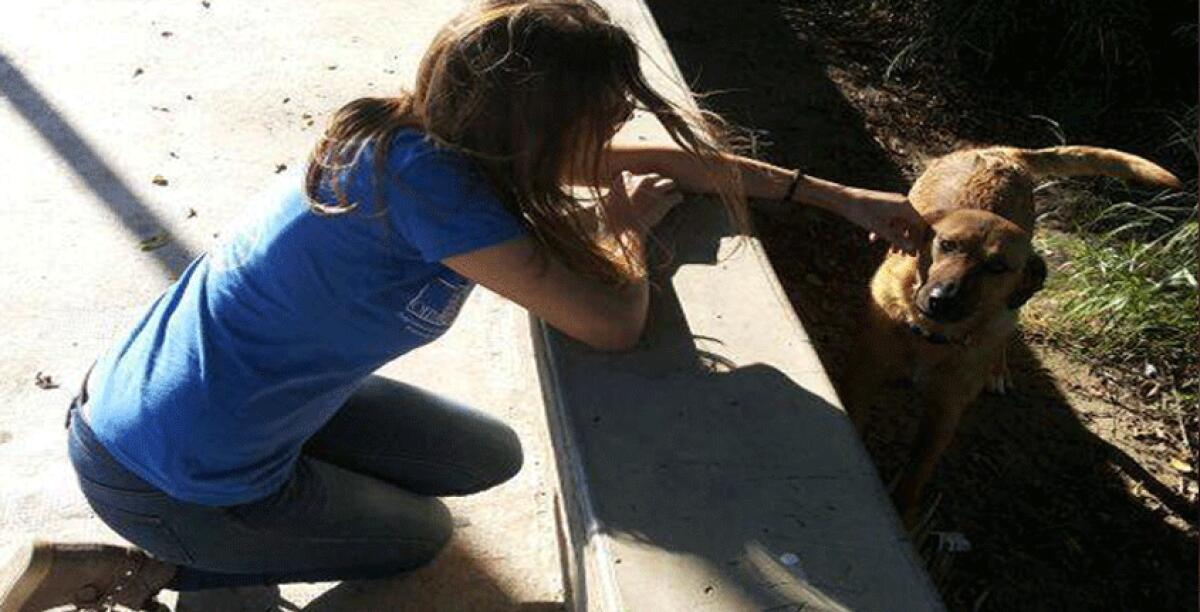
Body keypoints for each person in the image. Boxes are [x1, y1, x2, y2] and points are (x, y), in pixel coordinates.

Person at [0, 1, 924, 610]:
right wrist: (624, 236)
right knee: (418, 541)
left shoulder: (418, 135)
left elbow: (657, 162)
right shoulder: (448, 198)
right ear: (533, 122)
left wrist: (838, 197)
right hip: (170, 473)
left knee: (489, 456)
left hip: (186, 400)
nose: (613, 132)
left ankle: (254, 528)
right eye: (597, 115)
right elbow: (614, 322)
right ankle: (151, 571)